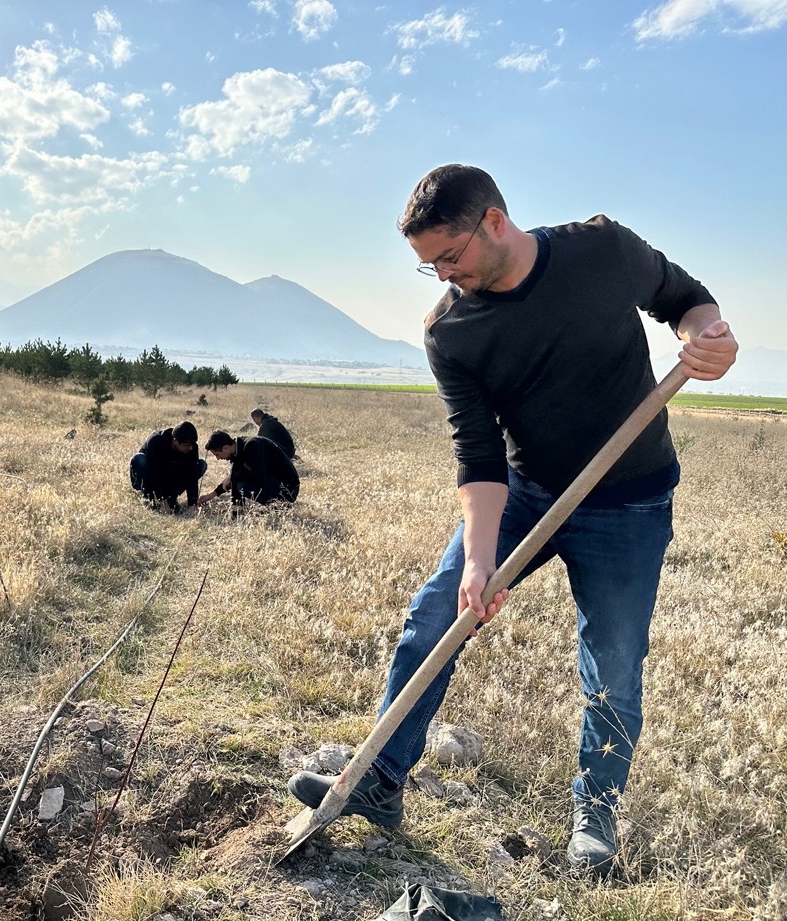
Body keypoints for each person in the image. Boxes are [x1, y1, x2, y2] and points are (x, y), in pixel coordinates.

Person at [287, 164, 737, 875]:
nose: (443, 276)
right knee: (437, 613)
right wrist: (478, 561)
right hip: (528, 488)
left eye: (450, 256)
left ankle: (596, 819)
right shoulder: (452, 331)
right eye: (427, 266)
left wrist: (710, 335)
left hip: (629, 499)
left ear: (494, 221)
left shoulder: (601, 250)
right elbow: (477, 452)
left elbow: (685, 299)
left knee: (613, 662)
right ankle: (378, 781)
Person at [198, 430, 299, 507]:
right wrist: (212, 495)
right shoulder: (237, 449)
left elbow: (258, 476)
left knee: (243, 484)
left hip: (288, 489)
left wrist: (233, 476)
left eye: (217, 454)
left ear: (225, 448)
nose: (218, 458)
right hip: (274, 483)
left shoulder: (253, 445)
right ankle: (237, 510)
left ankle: (280, 506)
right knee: (238, 480)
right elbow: (234, 478)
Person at [129, 420, 207, 513]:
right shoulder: (156, 441)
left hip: (171, 477)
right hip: (149, 477)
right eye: (186, 445)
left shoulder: (192, 448)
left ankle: (172, 497)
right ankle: (148, 496)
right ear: (175, 441)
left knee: (201, 465)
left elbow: (192, 475)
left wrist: (192, 504)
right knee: (140, 459)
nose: (190, 448)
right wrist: (163, 502)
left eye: (191, 445)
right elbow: (154, 473)